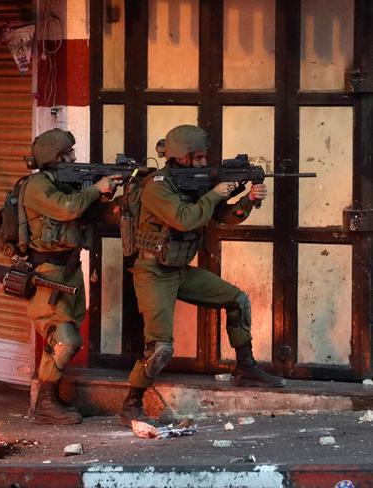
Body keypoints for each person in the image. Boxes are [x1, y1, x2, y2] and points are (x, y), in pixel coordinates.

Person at [118, 124, 285, 427]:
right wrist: (214, 194)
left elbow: (222, 216)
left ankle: (246, 368)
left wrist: (248, 199)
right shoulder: (157, 185)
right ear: (181, 158)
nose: (203, 164)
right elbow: (185, 219)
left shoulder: (194, 183)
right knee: (160, 348)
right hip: (153, 272)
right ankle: (131, 402)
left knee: (238, 300)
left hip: (179, 269)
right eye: (197, 158)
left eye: (204, 158)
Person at [24, 128, 122, 425]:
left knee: (59, 338)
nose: (74, 159)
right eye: (68, 155)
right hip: (46, 273)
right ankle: (45, 404)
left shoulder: (65, 184)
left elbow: (90, 214)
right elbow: (67, 210)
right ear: (55, 158)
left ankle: (48, 401)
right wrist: (95, 188)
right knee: (66, 340)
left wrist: (105, 195)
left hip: (69, 272)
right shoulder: (37, 186)